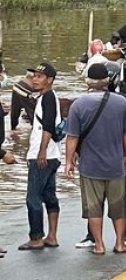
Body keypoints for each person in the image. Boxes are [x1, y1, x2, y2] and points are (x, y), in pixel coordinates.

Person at [65, 64, 126, 254]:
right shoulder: (121, 103)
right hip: (116, 165)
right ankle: (120, 243)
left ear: (88, 81)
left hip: (90, 167)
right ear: (108, 81)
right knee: (118, 206)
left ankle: (99, 244)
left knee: (93, 208)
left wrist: (69, 161)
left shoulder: (78, 105)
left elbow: (72, 137)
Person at [19, 62, 61, 251]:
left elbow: (48, 126)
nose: (35, 79)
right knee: (49, 195)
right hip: (51, 155)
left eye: (39, 76)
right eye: (34, 76)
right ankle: (51, 236)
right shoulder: (45, 98)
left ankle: (36, 237)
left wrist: (41, 151)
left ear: (49, 80)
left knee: (33, 197)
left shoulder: (48, 98)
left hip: (43, 156)